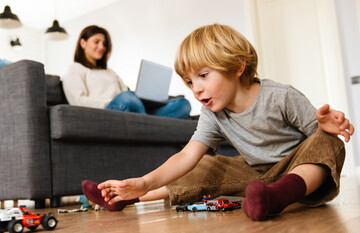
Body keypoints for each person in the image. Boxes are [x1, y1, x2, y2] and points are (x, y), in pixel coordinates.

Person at [82, 24, 355, 221]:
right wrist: (144, 182)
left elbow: (317, 140)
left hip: (298, 173)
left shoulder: (281, 96)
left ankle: (278, 197)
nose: (196, 89)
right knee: (205, 164)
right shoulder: (211, 112)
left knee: (327, 142)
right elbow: (187, 155)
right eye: (189, 82)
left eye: (203, 75)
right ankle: (125, 198)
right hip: (254, 176)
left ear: (237, 66)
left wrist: (326, 125)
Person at [62, 25, 191, 119]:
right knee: (127, 98)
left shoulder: (110, 72)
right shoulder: (75, 69)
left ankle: (146, 121)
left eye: (104, 44)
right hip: (108, 110)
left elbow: (127, 94)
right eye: (96, 42)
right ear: (83, 43)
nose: (102, 47)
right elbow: (77, 101)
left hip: (129, 109)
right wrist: (112, 101)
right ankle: (149, 123)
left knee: (182, 104)